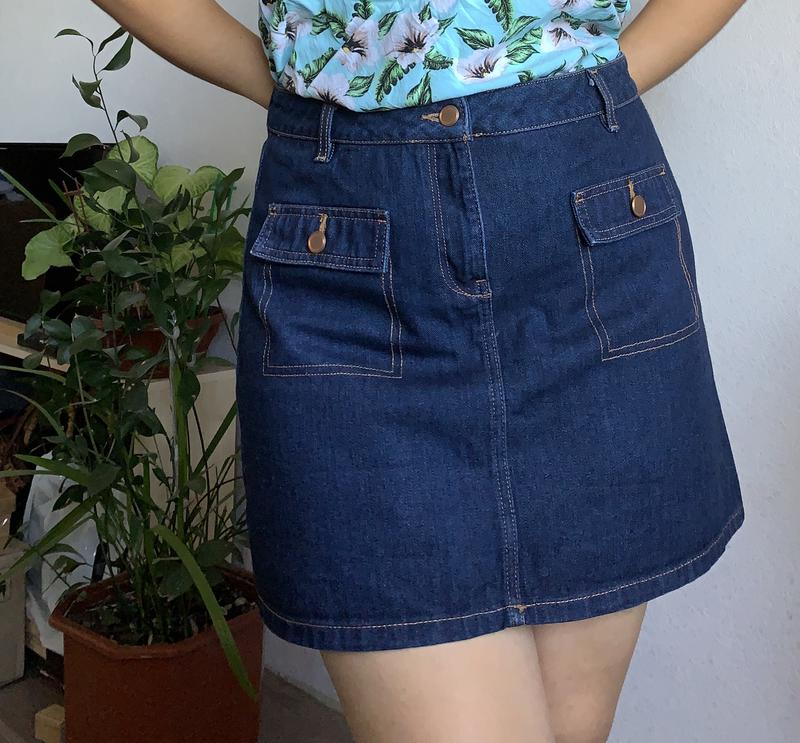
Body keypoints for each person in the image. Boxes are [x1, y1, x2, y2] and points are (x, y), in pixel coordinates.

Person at [90, 1, 748, 740]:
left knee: (573, 728)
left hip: (586, 233)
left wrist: (591, 86)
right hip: (345, 244)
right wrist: (280, 77)